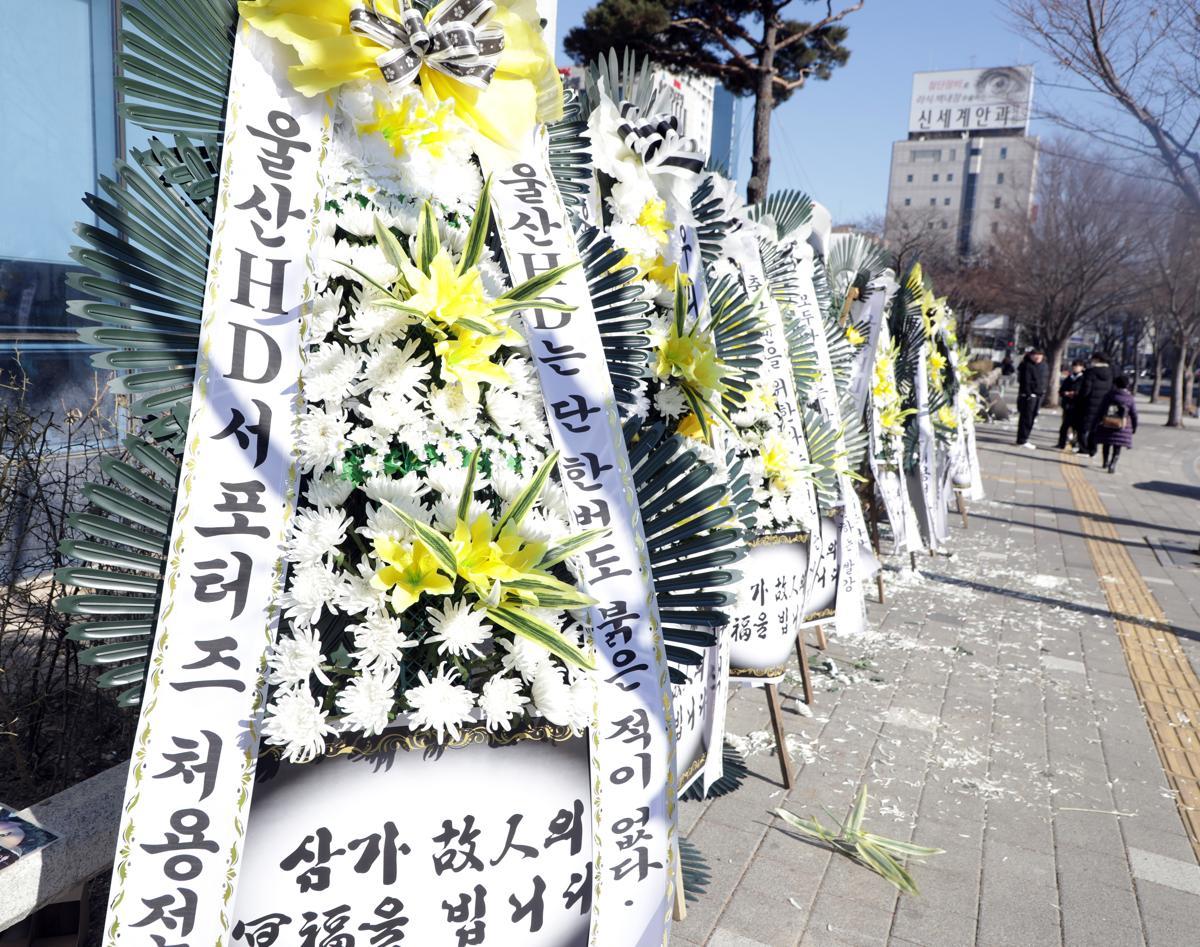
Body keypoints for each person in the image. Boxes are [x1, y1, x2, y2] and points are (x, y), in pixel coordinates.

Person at [1093, 374, 1138, 472]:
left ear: (1116, 385)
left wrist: (1096, 422)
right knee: (1117, 446)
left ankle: (1105, 462)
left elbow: (1101, 410)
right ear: (1127, 385)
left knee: (1106, 444)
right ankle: (1113, 464)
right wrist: (1134, 427)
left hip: (1107, 423)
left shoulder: (1109, 395)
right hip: (1122, 426)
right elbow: (1134, 414)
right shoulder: (1129, 398)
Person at [1077, 352, 1114, 456]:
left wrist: (1079, 399)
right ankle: (1093, 449)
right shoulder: (1110, 372)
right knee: (1095, 427)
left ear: (1097, 360)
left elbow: (1086, 389)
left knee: (1083, 427)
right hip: (1103, 403)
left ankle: (1084, 449)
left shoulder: (1091, 372)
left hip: (1089, 403)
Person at [1015, 348, 1047, 448]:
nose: (1037, 357)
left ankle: (1024, 438)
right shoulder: (1026, 365)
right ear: (1030, 356)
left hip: (1039, 395)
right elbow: (1025, 381)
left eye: (1040, 355)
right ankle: (1022, 440)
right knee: (1026, 418)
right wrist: (1029, 394)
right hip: (1028, 396)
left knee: (1032, 418)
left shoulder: (1044, 366)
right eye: (1035, 355)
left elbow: (1044, 380)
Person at [1056, 359, 1086, 449]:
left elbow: (1084, 392)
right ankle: (1061, 443)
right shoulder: (1069, 378)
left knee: (1076, 426)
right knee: (1065, 426)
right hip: (1067, 405)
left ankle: (1075, 443)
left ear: (1082, 368)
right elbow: (1061, 391)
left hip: (1078, 406)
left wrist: (1075, 393)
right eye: (1074, 366)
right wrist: (1065, 393)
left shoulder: (1083, 379)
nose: (1075, 368)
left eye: (1078, 366)